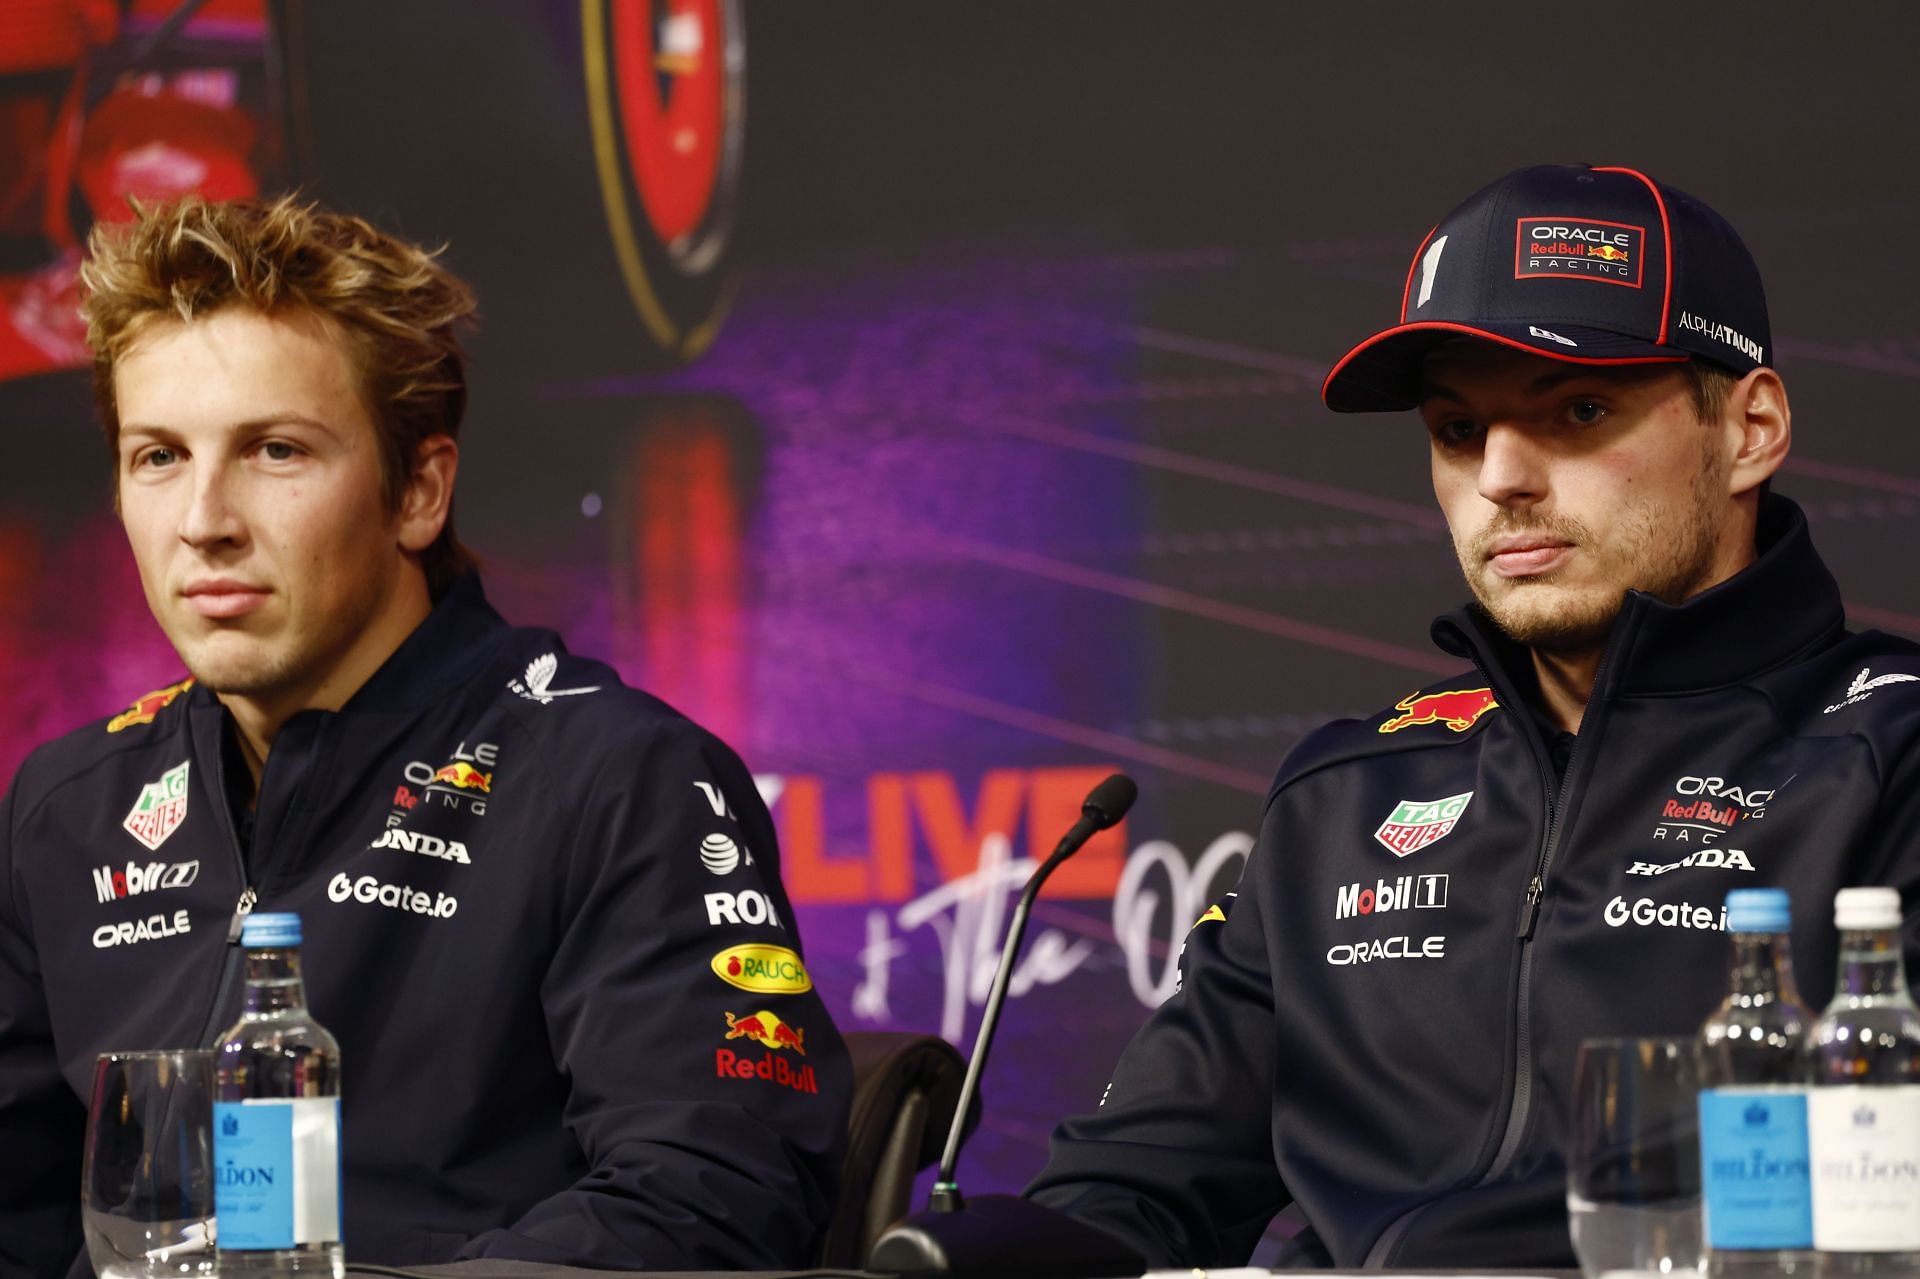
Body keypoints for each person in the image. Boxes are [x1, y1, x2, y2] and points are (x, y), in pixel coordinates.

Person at [1027, 163, 1920, 1266]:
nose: (1502, 476)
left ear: (1751, 428)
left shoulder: (1887, 756)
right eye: (1458, 429)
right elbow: (1135, 1177)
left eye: (1579, 411)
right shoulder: (1346, 791)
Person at [0, 194, 848, 1276]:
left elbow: (716, 1194)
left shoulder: (617, 778)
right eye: (158, 456)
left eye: (274, 450)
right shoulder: (66, 803)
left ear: (419, 491)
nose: (203, 519)